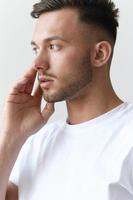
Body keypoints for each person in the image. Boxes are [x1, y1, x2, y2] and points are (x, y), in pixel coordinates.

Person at [0, 0, 133, 199]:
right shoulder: (34, 143)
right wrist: (11, 136)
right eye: (36, 49)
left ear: (99, 54)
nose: (38, 63)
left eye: (54, 46)